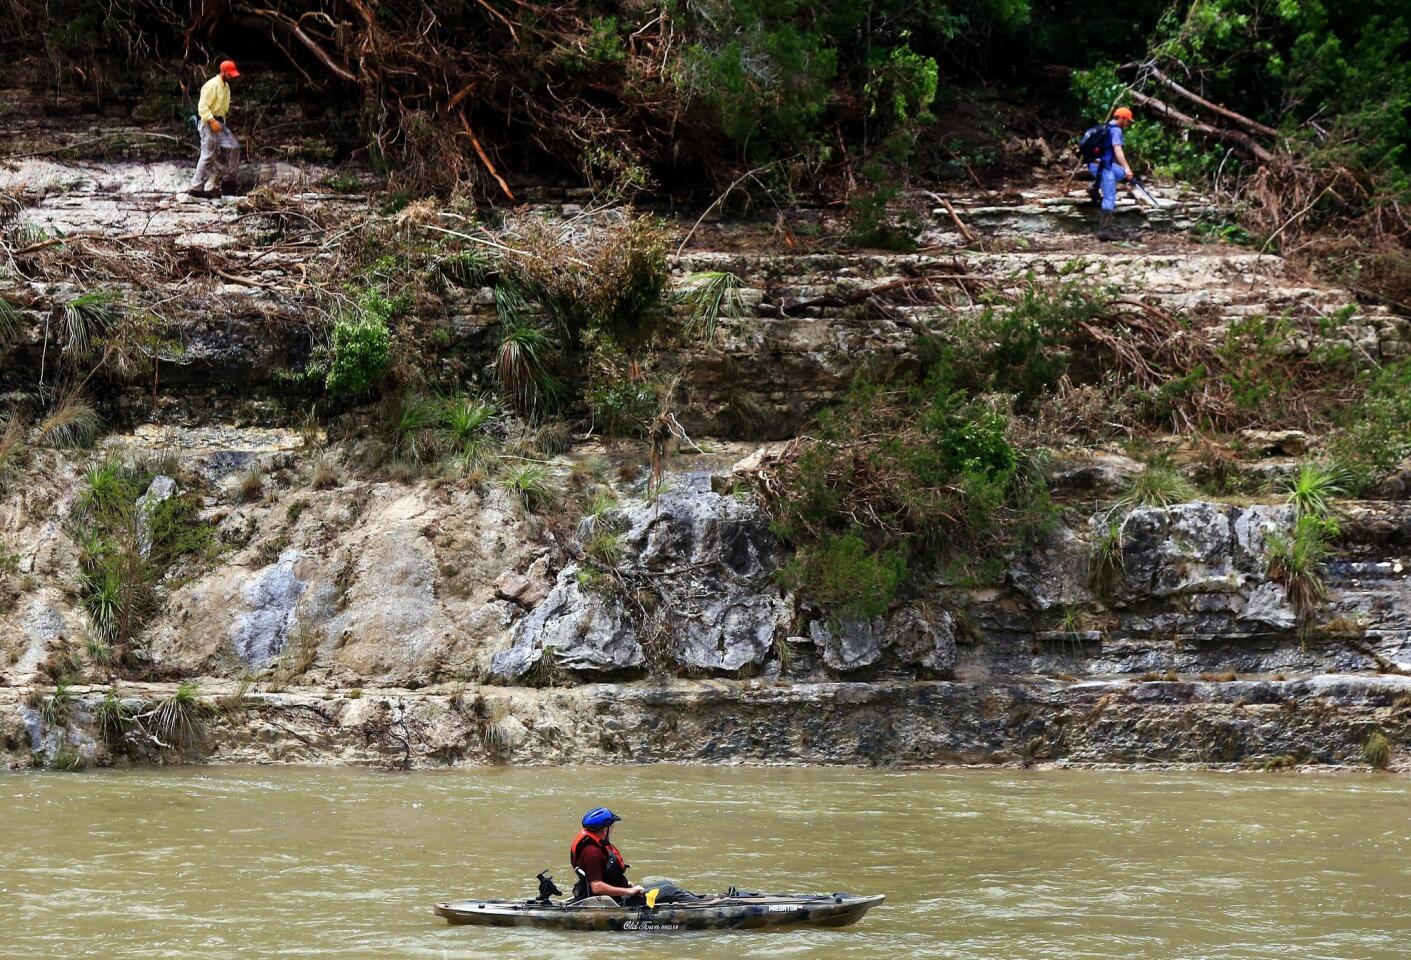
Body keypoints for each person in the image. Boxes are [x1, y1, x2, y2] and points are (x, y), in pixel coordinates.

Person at [187, 60, 242, 199]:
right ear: (223, 72)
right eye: (230, 74)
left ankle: (228, 183)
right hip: (208, 122)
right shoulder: (211, 85)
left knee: (234, 147)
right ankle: (196, 187)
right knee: (208, 154)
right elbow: (202, 107)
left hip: (220, 123)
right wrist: (211, 120)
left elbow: (223, 109)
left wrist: (220, 122)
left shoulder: (226, 87)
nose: (232, 76)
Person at [569, 807, 646, 904]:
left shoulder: (595, 846)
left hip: (617, 894)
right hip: (611, 902)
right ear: (604, 830)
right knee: (668, 891)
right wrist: (628, 891)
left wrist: (626, 885)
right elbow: (597, 887)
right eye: (612, 827)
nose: (612, 830)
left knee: (665, 885)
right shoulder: (592, 853)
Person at [1087, 106, 1135, 241]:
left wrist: (1125, 172)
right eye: (1128, 121)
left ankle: (1095, 186)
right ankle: (1104, 230)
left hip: (1096, 163)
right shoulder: (1116, 131)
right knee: (1110, 195)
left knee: (1121, 174)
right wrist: (1127, 168)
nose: (1128, 124)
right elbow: (1118, 150)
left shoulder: (1106, 127)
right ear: (1122, 119)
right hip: (1101, 166)